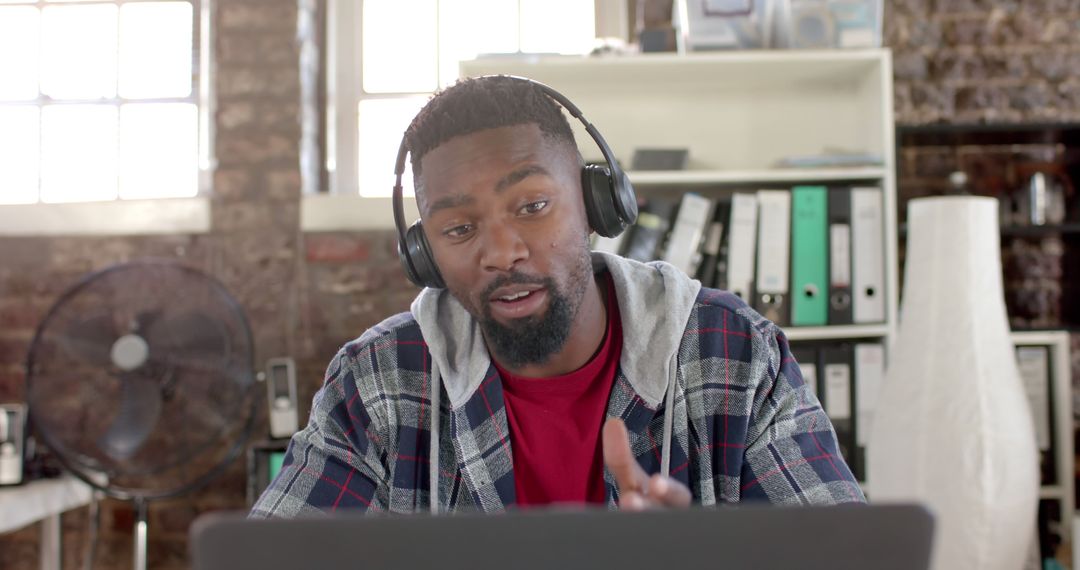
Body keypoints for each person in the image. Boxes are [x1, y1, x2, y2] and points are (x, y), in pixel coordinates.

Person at [251, 76, 864, 517]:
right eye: (459, 229)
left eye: (533, 206)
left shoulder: (734, 355)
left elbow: (844, 554)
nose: (501, 251)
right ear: (425, 254)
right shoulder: (378, 382)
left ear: (598, 204)